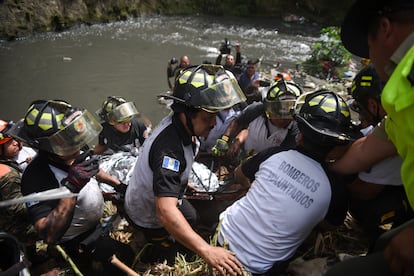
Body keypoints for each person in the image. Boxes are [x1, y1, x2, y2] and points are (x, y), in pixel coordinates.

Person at [217, 90, 360, 275]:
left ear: (299, 134)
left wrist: (253, 188)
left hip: (221, 236)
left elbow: (238, 174)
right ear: (336, 149)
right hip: (258, 269)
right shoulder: (335, 191)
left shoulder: (273, 154)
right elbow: (329, 226)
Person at [124, 64, 246, 275]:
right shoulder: (169, 150)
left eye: (215, 116)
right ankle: (152, 249)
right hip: (147, 212)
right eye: (208, 118)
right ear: (186, 113)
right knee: (168, 252)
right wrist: (206, 250)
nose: (213, 124)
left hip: (168, 194)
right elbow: (165, 211)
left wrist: (181, 181)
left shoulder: (184, 128)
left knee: (193, 219)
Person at [324, 0, 414, 275]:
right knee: (384, 244)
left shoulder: (407, 78)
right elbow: (364, 151)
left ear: (385, 29)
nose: (372, 61)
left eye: (369, 48)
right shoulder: (400, 100)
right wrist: (322, 164)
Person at [10, 100, 134, 275]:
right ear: (48, 146)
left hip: (94, 227)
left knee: (127, 255)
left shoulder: (74, 146)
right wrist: (71, 188)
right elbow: (49, 234)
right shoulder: (36, 177)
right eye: (66, 139)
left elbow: (93, 169)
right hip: (73, 241)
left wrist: (118, 185)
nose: (76, 143)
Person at [347, 65, 413, 241]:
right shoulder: (401, 115)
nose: (361, 118)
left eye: (361, 109)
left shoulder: (397, 129)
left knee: (373, 209)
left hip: (403, 200)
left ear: (372, 104)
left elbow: (365, 190)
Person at [212, 79, 303, 159]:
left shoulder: (295, 129)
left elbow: (283, 154)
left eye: (288, 116)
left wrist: (255, 159)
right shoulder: (255, 110)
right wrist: (224, 139)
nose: (282, 120)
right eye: (278, 114)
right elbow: (237, 122)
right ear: (268, 107)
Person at [0, 119, 37, 244]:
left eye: (15, 138)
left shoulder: (7, 165)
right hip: (14, 227)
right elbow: (19, 209)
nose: (16, 143)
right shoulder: (7, 174)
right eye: (9, 142)